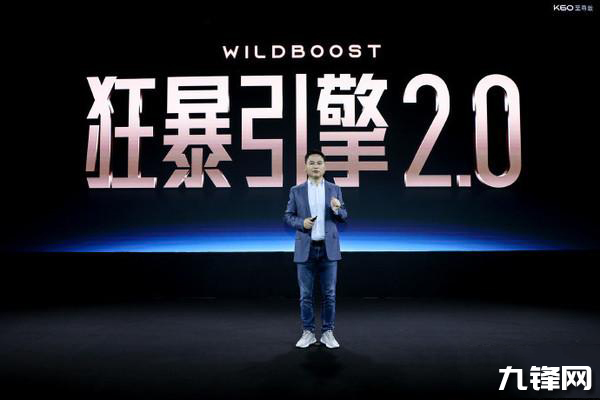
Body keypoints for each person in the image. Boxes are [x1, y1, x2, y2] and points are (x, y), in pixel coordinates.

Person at [283, 149, 348, 349]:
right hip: (306, 248)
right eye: (311, 163)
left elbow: (344, 215)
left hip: (329, 249)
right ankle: (308, 332)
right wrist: (302, 223)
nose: (315, 166)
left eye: (319, 163)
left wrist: (337, 209)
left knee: (329, 294)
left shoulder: (335, 189)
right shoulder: (296, 190)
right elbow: (288, 216)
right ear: (305, 167)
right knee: (305, 295)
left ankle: (328, 332)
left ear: (325, 167)